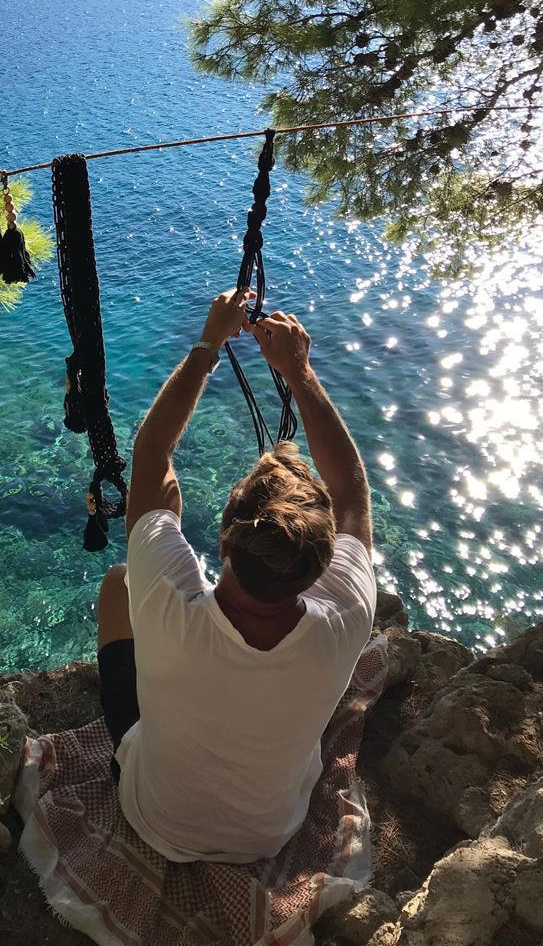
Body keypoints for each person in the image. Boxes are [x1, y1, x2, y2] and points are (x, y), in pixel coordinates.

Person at [97, 289, 376, 863]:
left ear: (224, 544)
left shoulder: (168, 604)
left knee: (118, 581)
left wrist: (209, 342)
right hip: (269, 834)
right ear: (322, 564)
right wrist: (299, 372)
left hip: (154, 820)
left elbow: (153, 450)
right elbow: (350, 487)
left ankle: (119, 755)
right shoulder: (347, 617)